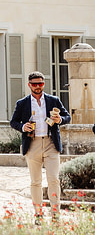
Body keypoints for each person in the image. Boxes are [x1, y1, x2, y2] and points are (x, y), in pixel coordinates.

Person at [10, 71, 71, 224]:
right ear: (29, 85)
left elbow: (67, 117)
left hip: (51, 143)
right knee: (35, 181)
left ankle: (55, 215)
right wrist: (23, 127)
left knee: (53, 179)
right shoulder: (22, 103)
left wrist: (60, 119)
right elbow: (13, 122)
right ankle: (38, 214)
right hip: (33, 144)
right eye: (35, 84)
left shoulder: (53, 100)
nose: (38, 87)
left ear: (44, 84)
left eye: (41, 84)